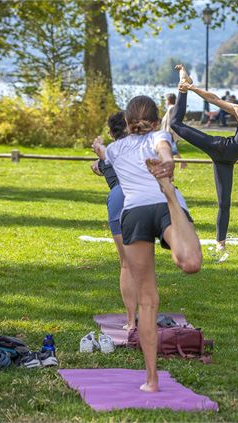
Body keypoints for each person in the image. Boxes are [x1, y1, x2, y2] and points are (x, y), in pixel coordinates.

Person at [93, 95, 202, 393]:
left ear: (127, 124)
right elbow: (164, 150)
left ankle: (151, 380)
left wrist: (98, 147)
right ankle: (169, 194)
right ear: (154, 122)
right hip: (165, 205)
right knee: (190, 263)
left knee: (148, 301)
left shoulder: (115, 149)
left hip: (135, 213)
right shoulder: (159, 135)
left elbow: (104, 155)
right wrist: (166, 168)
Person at [170, 64, 238, 256]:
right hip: (218, 146)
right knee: (175, 124)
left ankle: (220, 243)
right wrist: (192, 88)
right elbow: (214, 99)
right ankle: (183, 85)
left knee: (224, 203)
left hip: (226, 163)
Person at [90, 111, 137, 332]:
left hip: (117, 201)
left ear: (111, 132)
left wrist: (98, 162)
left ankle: (131, 321)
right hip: (139, 199)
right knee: (144, 263)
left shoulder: (106, 156)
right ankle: (144, 316)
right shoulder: (137, 149)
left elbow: (99, 165)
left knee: (126, 264)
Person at [160, 93, 187, 169]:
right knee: (172, 149)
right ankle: (182, 163)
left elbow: (170, 121)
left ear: (169, 100)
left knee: (171, 149)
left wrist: (169, 133)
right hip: (168, 132)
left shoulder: (171, 108)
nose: (165, 102)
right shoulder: (171, 108)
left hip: (169, 132)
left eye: (166, 100)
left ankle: (180, 163)